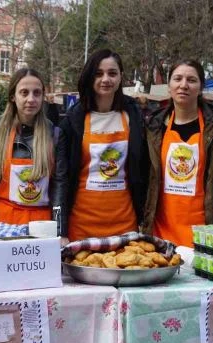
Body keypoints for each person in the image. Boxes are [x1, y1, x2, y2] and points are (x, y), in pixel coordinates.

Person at [142, 60, 213, 247]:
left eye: (191, 80)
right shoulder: (154, 127)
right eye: (177, 79)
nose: (184, 85)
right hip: (158, 237)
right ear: (169, 86)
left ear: (201, 87)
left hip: (205, 236)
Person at [54, 48, 149, 241]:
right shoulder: (73, 121)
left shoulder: (134, 116)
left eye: (112, 73)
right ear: (90, 77)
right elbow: (61, 179)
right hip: (80, 225)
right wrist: (60, 231)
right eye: (99, 74)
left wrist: (144, 219)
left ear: (121, 77)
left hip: (125, 224)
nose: (106, 79)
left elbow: (143, 171)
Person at [0, 68, 55, 225]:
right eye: (24, 92)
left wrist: (59, 227)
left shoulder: (53, 133)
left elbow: (59, 183)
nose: (31, 99)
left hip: (41, 224)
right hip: (4, 222)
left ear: (43, 97)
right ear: (13, 97)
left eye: (37, 93)